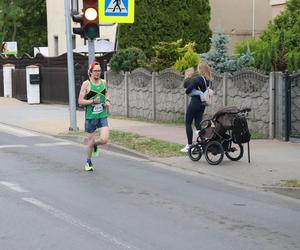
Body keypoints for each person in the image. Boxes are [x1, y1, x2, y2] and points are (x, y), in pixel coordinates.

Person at [78, 61, 110, 171]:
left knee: (105, 140)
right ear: (90, 72)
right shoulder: (86, 84)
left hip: (102, 114)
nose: (97, 73)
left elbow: (106, 93)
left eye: (99, 70)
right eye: (95, 71)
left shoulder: (104, 82)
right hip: (91, 117)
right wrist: (92, 101)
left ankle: (95, 144)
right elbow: (80, 101)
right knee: (90, 141)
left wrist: (107, 101)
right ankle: (88, 162)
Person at [180, 62, 213, 153]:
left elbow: (188, 90)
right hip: (203, 104)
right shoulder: (209, 80)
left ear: (200, 70)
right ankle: (203, 144)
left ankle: (189, 145)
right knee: (198, 123)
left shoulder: (198, 79)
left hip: (195, 102)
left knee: (188, 123)